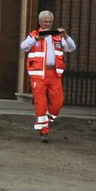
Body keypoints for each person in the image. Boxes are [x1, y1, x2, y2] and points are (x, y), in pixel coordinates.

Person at [19, 11, 75, 142]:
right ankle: (44, 131)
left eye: (50, 22)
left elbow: (72, 47)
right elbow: (23, 47)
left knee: (57, 102)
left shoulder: (57, 37)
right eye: (46, 22)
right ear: (40, 22)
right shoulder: (34, 35)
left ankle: (45, 122)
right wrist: (36, 39)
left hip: (55, 74)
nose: (48, 24)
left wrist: (65, 35)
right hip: (38, 75)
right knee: (41, 103)